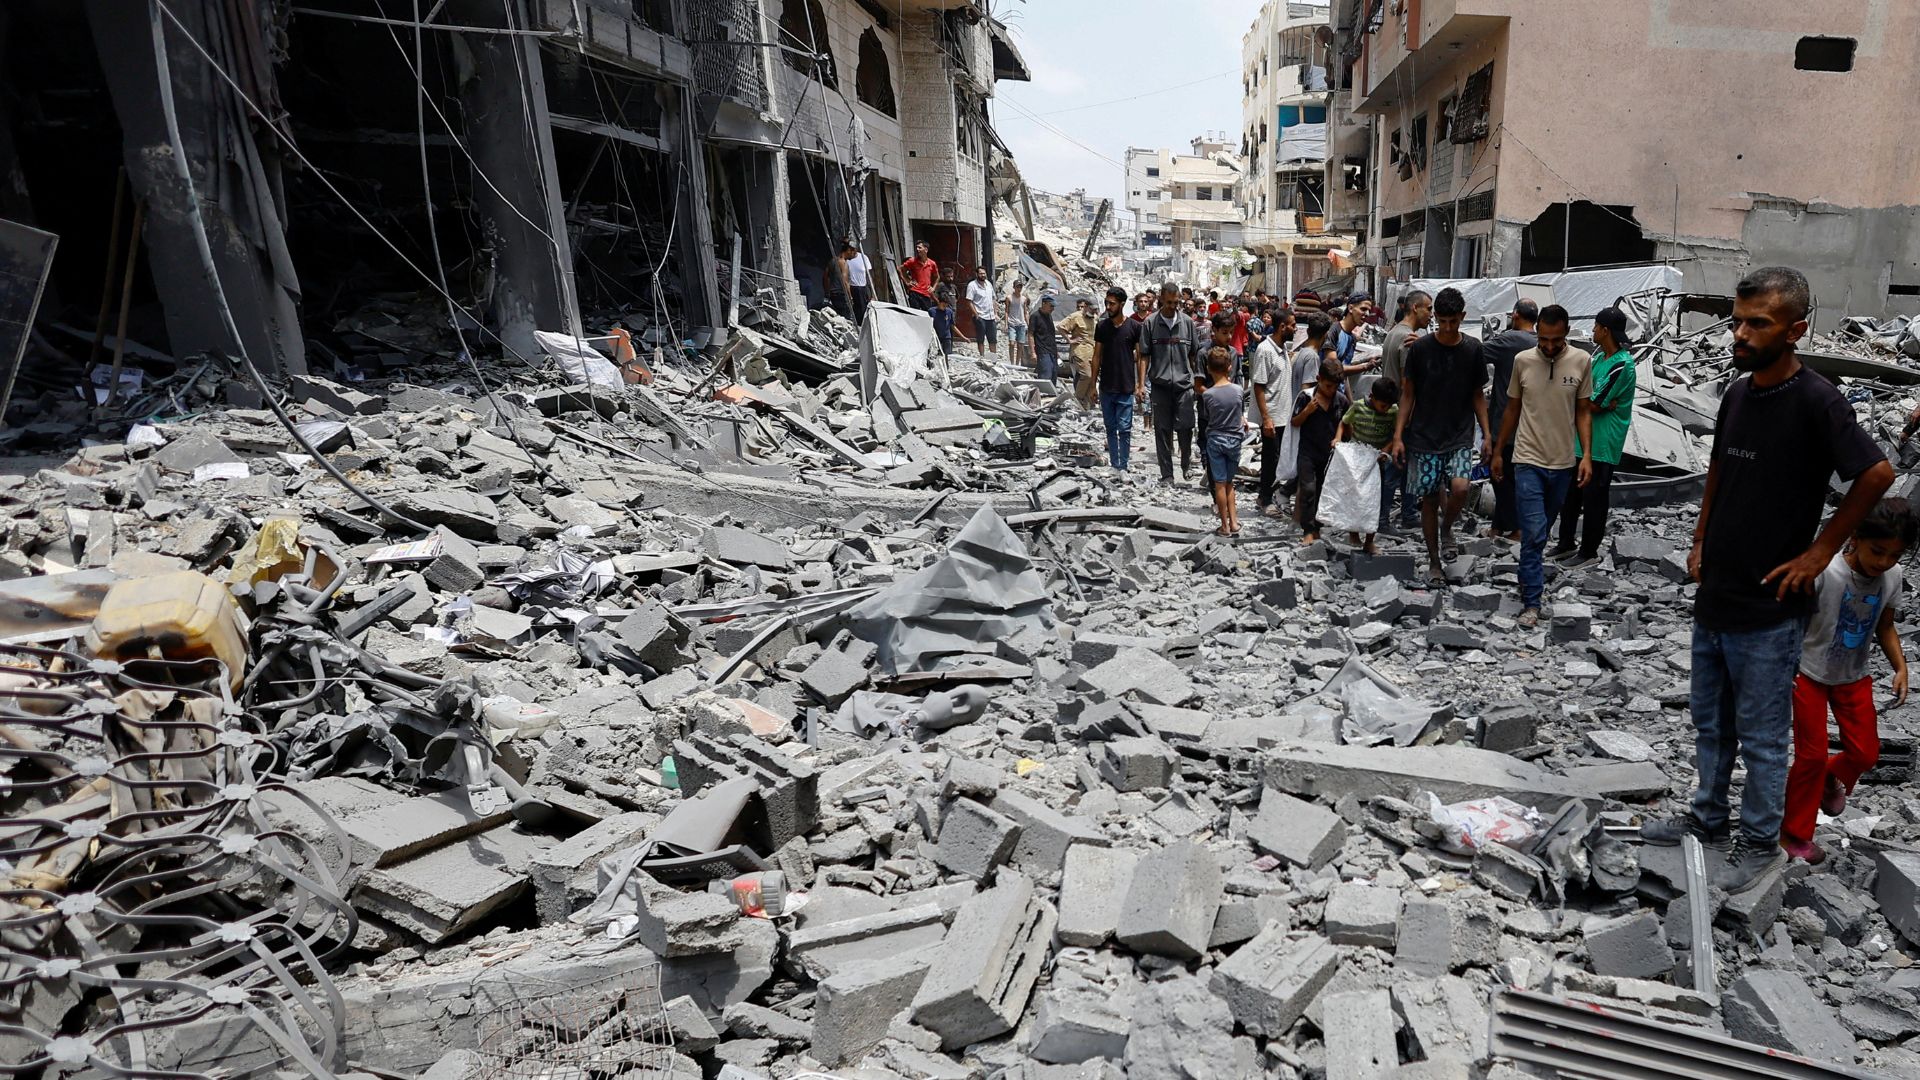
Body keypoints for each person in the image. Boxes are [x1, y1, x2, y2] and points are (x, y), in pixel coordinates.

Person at [1640, 266, 1892, 894]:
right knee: (1711, 725)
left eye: (1758, 324)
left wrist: (1821, 553)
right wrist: (1700, 538)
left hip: (1772, 606)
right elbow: (1719, 469)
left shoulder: (1817, 401)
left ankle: (1758, 843)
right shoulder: (1737, 393)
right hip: (1718, 593)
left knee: (1762, 737)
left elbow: (1876, 474)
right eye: (1738, 321)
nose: (1741, 334)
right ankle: (1707, 820)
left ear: (1795, 330)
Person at [1780, 497, 1913, 865]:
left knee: (1865, 752)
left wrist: (1900, 667)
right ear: (1855, 538)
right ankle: (1794, 834)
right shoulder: (1826, 571)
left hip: (1853, 675)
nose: (1883, 562)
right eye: (1877, 552)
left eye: (1894, 555)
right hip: (1809, 673)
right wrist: (1783, 665)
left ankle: (1827, 778)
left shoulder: (1892, 577)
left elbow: (1885, 627)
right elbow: (1793, 621)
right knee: (1810, 755)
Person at [1488, 304, 1594, 626]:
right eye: (1544, 339)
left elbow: (1583, 411)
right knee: (1533, 531)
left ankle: (1527, 579)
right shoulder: (1523, 361)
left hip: (1562, 463)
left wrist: (1586, 455)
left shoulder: (1582, 361)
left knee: (1542, 532)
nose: (1549, 346)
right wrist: (1497, 451)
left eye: (1556, 340)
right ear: (1537, 333)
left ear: (1566, 333)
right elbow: (1512, 409)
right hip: (1527, 459)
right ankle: (1531, 602)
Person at [1390, 287, 1490, 586]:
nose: (1447, 328)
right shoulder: (1420, 349)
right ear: (1435, 317)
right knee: (1430, 499)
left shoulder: (1473, 349)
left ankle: (1447, 529)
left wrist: (1487, 434)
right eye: (1442, 321)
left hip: (1459, 434)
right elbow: (1408, 395)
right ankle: (1434, 562)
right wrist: (1398, 436)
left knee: (1460, 488)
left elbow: (1477, 395)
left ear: (1462, 317)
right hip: (1424, 436)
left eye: (1453, 322)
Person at [1554, 305, 1636, 568]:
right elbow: (1584, 395)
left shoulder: (1622, 364)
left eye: (1596, 326)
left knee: (1594, 499)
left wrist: (1590, 402)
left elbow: (1593, 403)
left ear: (1605, 330)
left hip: (1603, 443)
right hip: (1582, 440)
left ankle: (1588, 551)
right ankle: (1565, 543)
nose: (1593, 330)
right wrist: (1589, 401)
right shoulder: (1600, 358)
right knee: (1571, 495)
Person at [1138, 281, 1206, 486]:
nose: (1172, 306)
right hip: (1160, 385)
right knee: (1162, 430)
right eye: (1169, 303)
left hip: (1184, 385)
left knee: (1186, 426)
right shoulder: (1150, 323)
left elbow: (1194, 355)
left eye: (1176, 303)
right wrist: (1140, 385)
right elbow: (1144, 356)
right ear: (1161, 300)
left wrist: (1198, 381)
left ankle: (1185, 463)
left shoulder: (1187, 323)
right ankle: (1167, 474)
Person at [1481, 299, 1539, 542]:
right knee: (1515, 475)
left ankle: (1517, 528)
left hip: (1505, 419)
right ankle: (1499, 525)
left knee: (1500, 475)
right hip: (1532, 422)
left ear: (1515, 315)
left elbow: (1474, 352)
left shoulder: (1509, 340)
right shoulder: (1541, 342)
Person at [1379, 291, 1431, 531]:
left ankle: (1408, 514)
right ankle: (1383, 519)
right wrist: (1408, 418)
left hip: (1396, 411)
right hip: (1404, 414)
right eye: (1428, 308)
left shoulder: (1393, 333)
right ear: (1415, 308)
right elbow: (1406, 383)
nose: (1430, 314)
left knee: (1407, 467)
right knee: (1396, 468)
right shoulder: (1407, 339)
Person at [1335, 378, 1401, 554]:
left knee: (1374, 501)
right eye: (1383, 405)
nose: (1385, 409)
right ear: (1372, 397)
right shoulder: (1358, 407)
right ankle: (1354, 533)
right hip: (1356, 460)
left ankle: (1369, 541)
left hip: (1377, 462)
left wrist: (1386, 450)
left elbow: (1396, 434)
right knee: (1355, 497)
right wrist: (1337, 439)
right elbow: (1344, 422)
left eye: (1388, 406)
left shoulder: (1393, 411)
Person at [1291, 358, 1349, 546]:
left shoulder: (1341, 401)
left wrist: (1340, 438)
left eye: (1335, 387)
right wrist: (1307, 411)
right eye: (1328, 386)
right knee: (1308, 489)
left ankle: (1317, 527)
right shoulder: (1306, 398)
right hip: (1307, 452)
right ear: (1318, 379)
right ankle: (1308, 530)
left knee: (1322, 490)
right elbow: (1294, 422)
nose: (1331, 390)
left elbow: (1346, 422)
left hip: (1328, 455)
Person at [1092, 286, 1145, 473]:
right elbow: (1096, 356)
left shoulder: (1134, 327)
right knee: (1110, 428)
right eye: (1107, 303)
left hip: (1125, 386)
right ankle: (1115, 465)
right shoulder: (1102, 327)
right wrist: (1092, 386)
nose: (1108, 307)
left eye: (1112, 304)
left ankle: (1123, 465)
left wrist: (1140, 385)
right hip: (1106, 386)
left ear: (1122, 304)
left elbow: (1140, 358)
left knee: (1124, 429)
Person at [1200, 347, 1245, 537]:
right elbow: (1239, 414)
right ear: (1229, 367)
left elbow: (1208, 417)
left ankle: (1224, 526)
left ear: (1208, 369)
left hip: (1216, 440)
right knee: (1229, 483)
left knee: (1219, 484)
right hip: (1235, 440)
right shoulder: (1238, 390)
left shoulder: (1208, 395)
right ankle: (1234, 523)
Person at [1249, 314, 1290, 517]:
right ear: (1282, 327)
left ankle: (1269, 495)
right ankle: (1264, 499)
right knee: (1270, 459)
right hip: (1272, 416)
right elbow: (1259, 386)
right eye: (1292, 325)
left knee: (1276, 458)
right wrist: (1266, 418)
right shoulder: (1265, 350)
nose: (1295, 329)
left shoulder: (1282, 349)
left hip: (1281, 415)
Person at [1330, 293, 1380, 399]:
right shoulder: (1334, 331)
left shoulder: (1352, 338)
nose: (1367, 314)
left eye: (1369, 310)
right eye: (1363, 309)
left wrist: (1350, 401)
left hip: (1339, 398)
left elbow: (1344, 374)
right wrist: (1365, 366)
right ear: (1350, 308)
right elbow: (1333, 368)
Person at [1062, 298, 1100, 409]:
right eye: (1092, 309)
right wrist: (1070, 340)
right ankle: (1078, 398)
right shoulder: (1076, 316)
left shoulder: (1094, 318)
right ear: (1086, 307)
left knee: (1092, 378)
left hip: (1091, 352)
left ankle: (1086, 405)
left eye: (1095, 310)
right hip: (1079, 352)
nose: (1093, 311)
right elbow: (1061, 327)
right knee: (1086, 375)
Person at [965, 268, 998, 360]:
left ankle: (993, 359)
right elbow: (969, 301)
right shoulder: (972, 285)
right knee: (981, 339)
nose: (983, 275)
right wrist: (976, 314)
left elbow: (993, 299)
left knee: (992, 339)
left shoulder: (989, 284)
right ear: (976, 274)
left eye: (984, 273)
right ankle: (982, 358)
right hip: (980, 316)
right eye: (981, 273)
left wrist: (995, 313)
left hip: (991, 316)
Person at [1028, 296, 1059, 382]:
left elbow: (1051, 335)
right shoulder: (1035, 316)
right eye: (1051, 306)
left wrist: (1056, 351)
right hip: (1043, 351)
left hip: (1052, 351)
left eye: (1053, 306)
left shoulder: (1049, 316)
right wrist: (1033, 352)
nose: (1052, 309)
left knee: (1053, 375)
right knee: (1045, 376)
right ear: (1044, 304)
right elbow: (1030, 334)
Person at [901, 241, 937, 311]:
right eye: (917, 247)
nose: (917, 249)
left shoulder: (932, 263)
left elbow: (937, 277)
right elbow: (900, 269)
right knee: (915, 313)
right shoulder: (912, 261)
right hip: (914, 292)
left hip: (926, 294)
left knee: (927, 314)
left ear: (926, 250)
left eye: (920, 248)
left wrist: (933, 288)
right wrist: (907, 281)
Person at [845, 240, 874, 324]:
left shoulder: (864, 258)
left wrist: (872, 293)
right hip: (852, 287)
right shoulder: (846, 259)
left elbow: (869, 276)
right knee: (855, 313)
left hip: (863, 288)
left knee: (864, 312)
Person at [827, 242, 855, 320]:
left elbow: (826, 277)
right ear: (848, 251)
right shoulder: (843, 263)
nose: (853, 255)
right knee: (845, 319)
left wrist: (827, 292)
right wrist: (850, 297)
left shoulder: (832, 261)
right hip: (841, 295)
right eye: (853, 252)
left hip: (833, 294)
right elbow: (845, 281)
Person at [1006, 281, 1029, 366]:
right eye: (1017, 287)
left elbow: (1025, 312)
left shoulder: (1024, 299)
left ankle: (1017, 363)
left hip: (1021, 324)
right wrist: (1006, 324)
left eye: (1020, 287)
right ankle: (1012, 363)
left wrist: (1028, 324)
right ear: (1014, 287)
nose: (1019, 289)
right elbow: (1006, 311)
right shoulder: (1009, 298)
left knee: (1020, 345)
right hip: (1012, 323)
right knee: (1012, 343)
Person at [931, 290, 955, 356]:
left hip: (947, 337)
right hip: (936, 337)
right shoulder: (931, 311)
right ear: (939, 302)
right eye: (943, 305)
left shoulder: (949, 311)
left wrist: (963, 337)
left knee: (947, 355)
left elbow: (952, 325)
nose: (944, 307)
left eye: (946, 306)